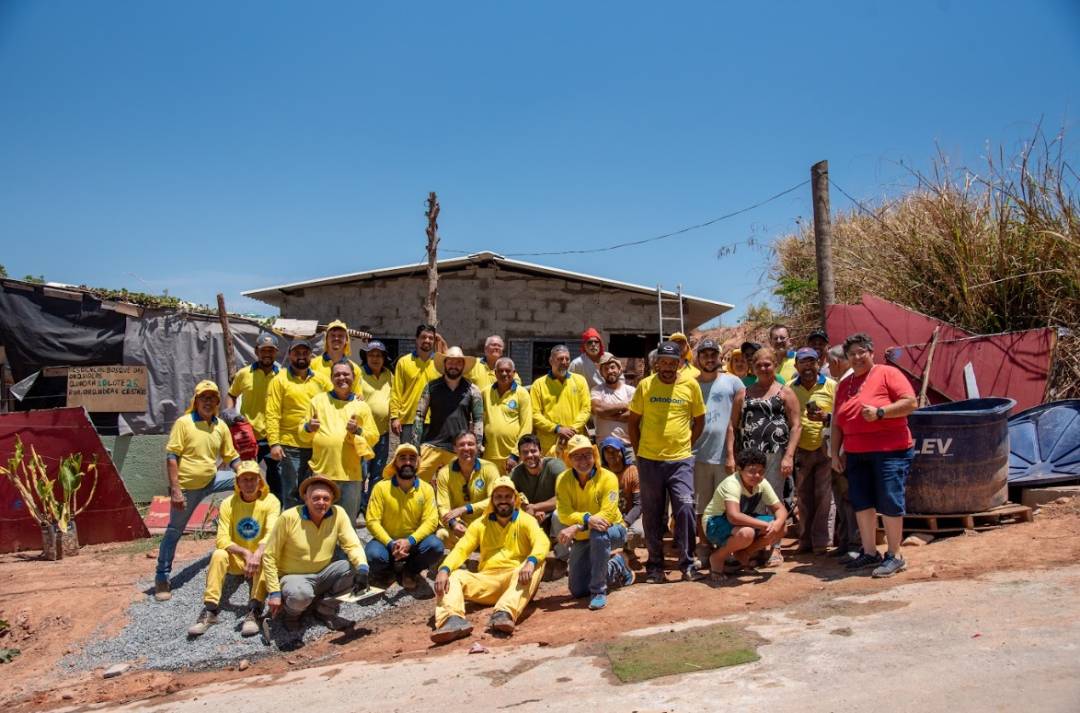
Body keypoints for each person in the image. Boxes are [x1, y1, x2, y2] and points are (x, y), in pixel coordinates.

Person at [832, 333, 917, 578]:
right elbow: (838, 422)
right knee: (862, 502)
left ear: (871, 352)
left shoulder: (887, 374)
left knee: (890, 500)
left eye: (861, 352)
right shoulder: (845, 385)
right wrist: (834, 453)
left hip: (890, 451)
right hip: (856, 453)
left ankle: (895, 555)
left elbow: (910, 403)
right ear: (846, 358)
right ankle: (870, 552)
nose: (857, 357)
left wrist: (881, 412)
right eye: (852, 354)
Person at [431, 477, 549, 643]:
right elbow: (461, 549)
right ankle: (452, 619)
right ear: (492, 500)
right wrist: (444, 569)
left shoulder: (526, 520)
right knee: (453, 575)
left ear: (515, 499)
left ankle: (504, 613)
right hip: (487, 581)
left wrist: (530, 561)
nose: (503, 501)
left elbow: (541, 542)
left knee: (538, 563)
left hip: (516, 580)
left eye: (507, 497)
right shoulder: (480, 524)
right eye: (498, 497)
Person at [628, 341, 706, 583]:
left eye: (674, 362)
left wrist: (686, 445)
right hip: (650, 460)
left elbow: (700, 420)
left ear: (680, 363)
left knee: (684, 508)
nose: (668, 367)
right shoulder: (645, 386)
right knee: (652, 514)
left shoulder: (690, 385)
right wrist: (640, 452)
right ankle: (654, 566)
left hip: (680, 460)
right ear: (656, 363)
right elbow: (633, 422)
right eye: (664, 362)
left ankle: (687, 563)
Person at [156, 380, 241, 601]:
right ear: (196, 400)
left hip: (212, 479)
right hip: (187, 487)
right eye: (204, 398)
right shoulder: (184, 423)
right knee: (175, 530)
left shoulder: (220, 426)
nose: (208, 402)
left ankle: (240, 532)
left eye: (213, 398)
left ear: (217, 402)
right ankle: (162, 577)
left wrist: (243, 473)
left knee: (249, 483)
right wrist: (175, 490)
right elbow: (172, 456)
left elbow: (231, 456)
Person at [262, 475, 369, 631]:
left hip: (324, 573)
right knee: (300, 594)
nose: (321, 503)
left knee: (356, 568)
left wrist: (363, 569)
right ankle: (292, 614)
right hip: (294, 577)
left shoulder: (338, 513)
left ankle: (324, 609)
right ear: (306, 498)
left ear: (332, 499)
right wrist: (274, 592)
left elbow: (352, 544)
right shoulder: (288, 517)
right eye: (316, 498)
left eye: (326, 498)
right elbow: (269, 555)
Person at [188, 460, 280, 638]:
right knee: (219, 554)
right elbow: (222, 539)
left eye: (253, 479)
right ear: (237, 483)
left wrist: (257, 554)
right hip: (238, 559)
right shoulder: (228, 503)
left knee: (267, 555)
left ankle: (254, 609)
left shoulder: (271, 501)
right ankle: (210, 610)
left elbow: (272, 534)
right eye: (244, 479)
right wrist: (245, 553)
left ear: (260, 480)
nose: (249, 483)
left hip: (259, 558)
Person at [727, 348, 801, 566]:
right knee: (751, 501)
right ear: (753, 367)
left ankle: (776, 548)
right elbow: (732, 426)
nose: (764, 368)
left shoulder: (785, 393)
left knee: (775, 499)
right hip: (748, 458)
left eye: (768, 364)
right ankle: (755, 548)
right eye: (759, 365)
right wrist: (731, 456)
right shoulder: (744, 394)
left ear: (775, 365)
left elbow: (796, 426)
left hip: (776, 455)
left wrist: (789, 456)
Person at [556, 435, 635, 610]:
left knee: (599, 533)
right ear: (569, 458)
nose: (583, 460)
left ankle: (599, 591)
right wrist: (586, 519)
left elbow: (606, 517)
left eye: (587, 455)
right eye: (577, 456)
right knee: (577, 590)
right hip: (584, 536)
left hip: (614, 530)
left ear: (594, 455)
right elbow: (563, 513)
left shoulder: (608, 477)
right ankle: (618, 565)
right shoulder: (563, 480)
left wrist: (578, 525)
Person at [300, 361, 379, 525]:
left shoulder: (361, 406)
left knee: (347, 525)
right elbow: (302, 435)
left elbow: (373, 437)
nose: (341, 378)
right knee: (318, 523)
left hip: (351, 476)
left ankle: (343, 553)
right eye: (337, 375)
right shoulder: (317, 401)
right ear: (331, 378)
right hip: (322, 474)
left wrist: (358, 431)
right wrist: (308, 427)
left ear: (353, 377)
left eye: (345, 374)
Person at [692, 338, 745, 563]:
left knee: (727, 505)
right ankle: (703, 548)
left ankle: (727, 548)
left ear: (720, 357)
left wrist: (732, 453)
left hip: (725, 456)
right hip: (697, 455)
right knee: (701, 506)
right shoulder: (691, 384)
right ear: (698, 358)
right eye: (704, 354)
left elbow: (737, 421)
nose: (709, 358)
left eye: (713, 354)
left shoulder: (733, 383)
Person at [364, 444, 445, 589]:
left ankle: (410, 570)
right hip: (387, 542)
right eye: (403, 458)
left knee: (436, 546)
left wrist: (410, 541)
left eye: (412, 459)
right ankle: (389, 571)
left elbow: (431, 521)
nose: (407, 462)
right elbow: (372, 521)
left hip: (414, 543)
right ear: (395, 462)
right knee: (373, 555)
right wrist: (390, 543)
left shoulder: (426, 489)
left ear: (417, 463)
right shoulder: (381, 488)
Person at [703, 448, 789, 582]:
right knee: (746, 533)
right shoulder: (732, 483)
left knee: (782, 527)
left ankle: (743, 553)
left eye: (761, 472)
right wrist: (766, 525)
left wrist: (776, 524)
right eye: (752, 471)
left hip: (740, 521)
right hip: (714, 523)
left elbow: (780, 509)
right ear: (739, 469)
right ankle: (717, 558)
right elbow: (733, 516)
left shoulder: (762, 483)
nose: (757, 476)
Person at [266, 339, 325, 509]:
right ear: (290, 355)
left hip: (316, 445)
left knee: (313, 490)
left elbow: (335, 397)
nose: (301, 356)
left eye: (304, 353)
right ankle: (292, 528)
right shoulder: (279, 380)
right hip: (289, 446)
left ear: (311, 356)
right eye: (297, 353)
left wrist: (355, 396)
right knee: (291, 491)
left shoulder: (321, 380)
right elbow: (272, 413)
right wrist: (274, 443)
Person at [790, 347, 837, 555]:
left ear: (819, 363)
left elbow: (840, 415)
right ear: (796, 366)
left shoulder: (832, 386)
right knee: (803, 496)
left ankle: (821, 541)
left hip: (826, 448)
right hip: (801, 450)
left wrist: (826, 416)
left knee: (825, 496)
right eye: (803, 362)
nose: (807, 366)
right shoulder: (790, 388)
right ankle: (805, 539)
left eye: (811, 361)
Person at [414, 346, 484, 481]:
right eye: (450, 361)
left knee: (457, 487)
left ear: (463, 366)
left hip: (459, 448)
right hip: (432, 445)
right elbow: (419, 417)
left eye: (458, 362)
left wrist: (477, 448)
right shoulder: (431, 387)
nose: (454, 365)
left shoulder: (473, 390)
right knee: (416, 480)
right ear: (444, 363)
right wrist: (416, 448)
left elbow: (478, 420)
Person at [227, 332, 282, 501]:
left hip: (274, 438)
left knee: (277, 480)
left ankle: (275, 515)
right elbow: (231, 395)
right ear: (256, 351)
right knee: (246, 480)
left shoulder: (283, 375)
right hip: (248, 438)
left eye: (271, 350)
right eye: (263, 350)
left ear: (276, 352)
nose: (267, 354)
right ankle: (243, 512)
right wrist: (230, 414)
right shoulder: (243, 374)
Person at [435, 431, 500, 546]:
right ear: (455, 448)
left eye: (470, 444)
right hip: (459, 525)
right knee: (441, 534)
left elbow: (495, 500)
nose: (466, 448)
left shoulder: (490, 468)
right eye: (461, 444)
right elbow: (443, 506)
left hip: (484, 524)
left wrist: (466, 508)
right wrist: (454, 524)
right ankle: (460, 561)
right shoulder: (444, 473)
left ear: (477, 446)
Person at [510, 434, 568, 559]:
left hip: (555, 516)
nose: (530, 455)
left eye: (533, 451)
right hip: (534, 518)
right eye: (525, 452)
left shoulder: (555, 466)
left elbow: (564, 498)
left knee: (559, 515)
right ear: (520, 456)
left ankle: (562, 557)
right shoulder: (517, 473)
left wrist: (535, 507)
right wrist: (529, 509)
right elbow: (513, 497)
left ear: (540, 452)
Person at [825, 344, 859, 557]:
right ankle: (846, 542)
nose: (829, 368)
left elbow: (847, 420)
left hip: (845, 451)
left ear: (837, 362)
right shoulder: (844, 381)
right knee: (841, 499)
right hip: (837, 450)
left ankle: (855, 544)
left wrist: (841, 451)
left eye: (829, 364)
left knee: (849, 499)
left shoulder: (849, 381)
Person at [530, 345, 591, 456]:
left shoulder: (580, 381)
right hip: (549, 445)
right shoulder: (538, 384)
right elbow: (535, 414)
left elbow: (586, 409)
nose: (564, 362)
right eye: (560, 359)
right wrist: (557, 429)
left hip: (575, 442)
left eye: (567, 359)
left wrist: (572, 429)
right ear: (551, 361)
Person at [358, 340, 393, 519]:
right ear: (366, 357)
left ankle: (370, 506)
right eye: (371, 355)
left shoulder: (389, 375)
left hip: (383, 434)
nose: (375, 358)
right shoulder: (359, 374)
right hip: (363, 435)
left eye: (379, 355)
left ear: (384, 358)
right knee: (361, 472)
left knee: (377, 473)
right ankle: (357, 506)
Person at [389, 324, 440, 446]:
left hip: (433, 421)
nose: (427, 340)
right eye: (423, 337)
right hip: (408, 421)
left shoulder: (439, 364)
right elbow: (396, 391)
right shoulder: (404, 362)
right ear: (416, 339)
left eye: (430, 338)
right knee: (408, 461)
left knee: (428, 461)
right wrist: (394, 417)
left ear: (434, 341)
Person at [481, 357, 532, 474]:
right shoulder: (485, 392)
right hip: (488, 455)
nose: (504, 374)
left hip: (511, 456)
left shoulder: (522, 393)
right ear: (495, 373)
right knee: (490, 490)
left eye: (508, 371)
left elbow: (526, 426)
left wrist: (515, 454)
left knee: (511, 490)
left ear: (514, 373)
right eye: (500, 371)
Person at [600, 437, 643, 551]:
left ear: (622, 453)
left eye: (615, 451)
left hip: (628, 517)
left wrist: (626, 523)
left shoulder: (632, 471)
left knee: (639, 532)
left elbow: (639, 504)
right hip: (608, 517)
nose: (611, 454)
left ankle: (628, 550)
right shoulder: (600, 473)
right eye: (607, 451)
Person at [590, 352, 635, 445]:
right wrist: (624, 405)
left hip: (627, 444)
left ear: (619, 369)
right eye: (605, 369)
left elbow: (632, 416)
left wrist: (606, 415)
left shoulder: (631, 391)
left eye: (612, 367)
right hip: (604, 445)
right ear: (601, 373)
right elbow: (598, 409)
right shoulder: (596, 390)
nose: (610, 371)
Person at [312, 320, 362, 395]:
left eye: (340, 336)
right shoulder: (313, 364)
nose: (336, 338)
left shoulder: (355, 369)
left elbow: (357, 397)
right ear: (326, 339)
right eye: (332, 335)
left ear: (346, 340)